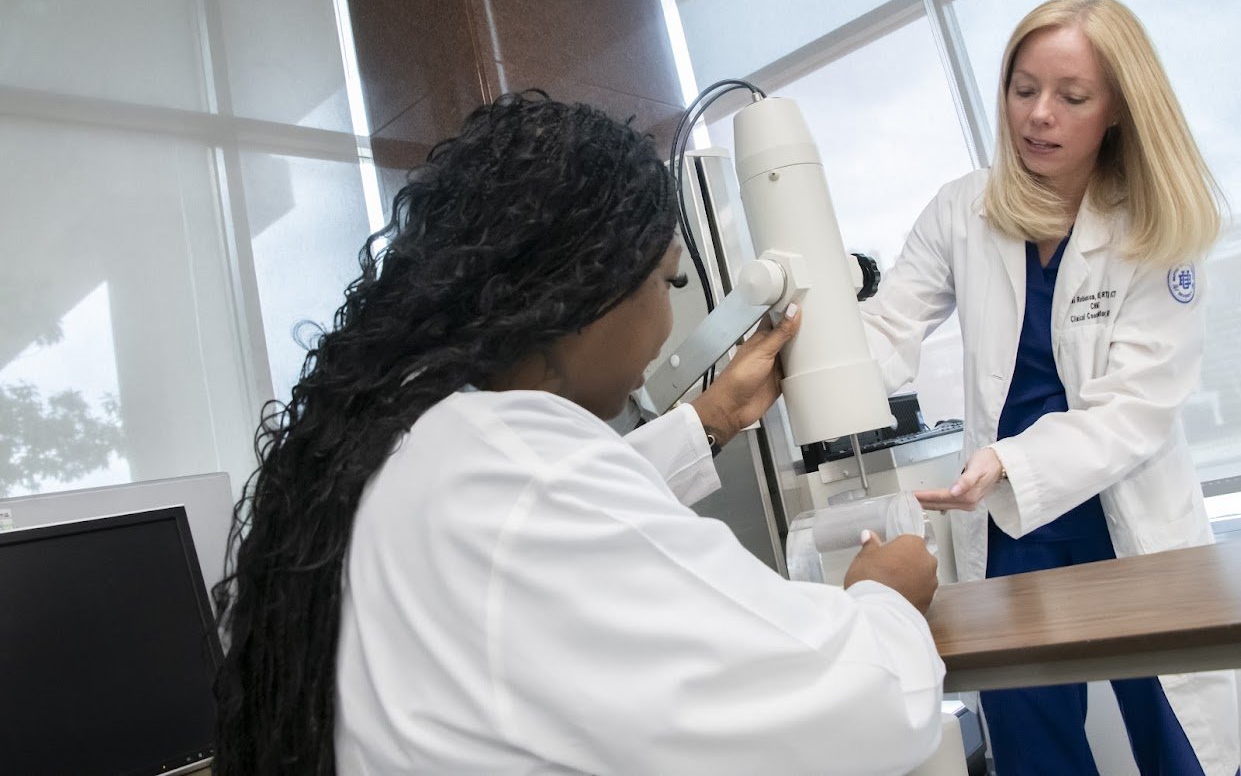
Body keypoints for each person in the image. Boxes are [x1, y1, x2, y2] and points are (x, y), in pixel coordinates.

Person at [211, 91, 944, 775]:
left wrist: (712, 418)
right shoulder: (523, 477)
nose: (664, 324)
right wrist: (881, 597)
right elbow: (852, 709)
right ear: (580, 289)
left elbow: (556, 507)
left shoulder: (416, 437)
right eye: (669, 282)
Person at [859, 0, 1240, 775]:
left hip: (1124, 518)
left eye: (1070, 97)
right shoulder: (962, 209)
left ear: (1116, 112)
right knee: (1034, 751)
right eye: (1022, 88)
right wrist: (810, 361)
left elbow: (1133, 408)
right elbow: (886, 331)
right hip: (1011, 532)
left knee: (1184, 743)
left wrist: (1005, 460)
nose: (1037, 115)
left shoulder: (1154, 226)